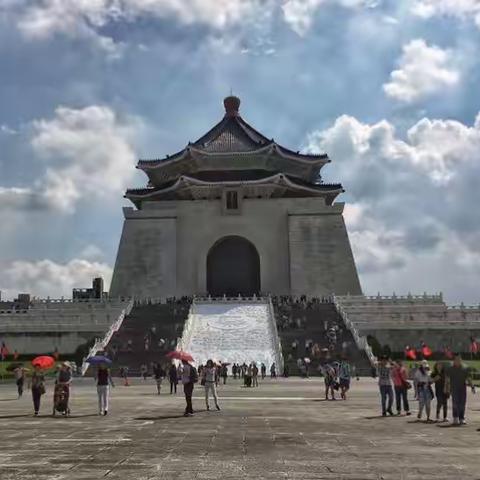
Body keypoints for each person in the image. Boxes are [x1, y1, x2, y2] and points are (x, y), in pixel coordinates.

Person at [445, 354, 473, 425]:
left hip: (462, 389)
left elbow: (469, 378)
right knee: (455, 404)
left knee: (462, 404)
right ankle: (455, 417)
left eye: (459, 359)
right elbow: (447, 380)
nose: (457, 361)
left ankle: (461, 418)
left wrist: (472, 386)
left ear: (461, 360)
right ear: (453, 360)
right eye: (456, 359)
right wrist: (447, 389)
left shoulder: (465, 368)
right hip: (454, 389)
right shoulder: (450, 369)